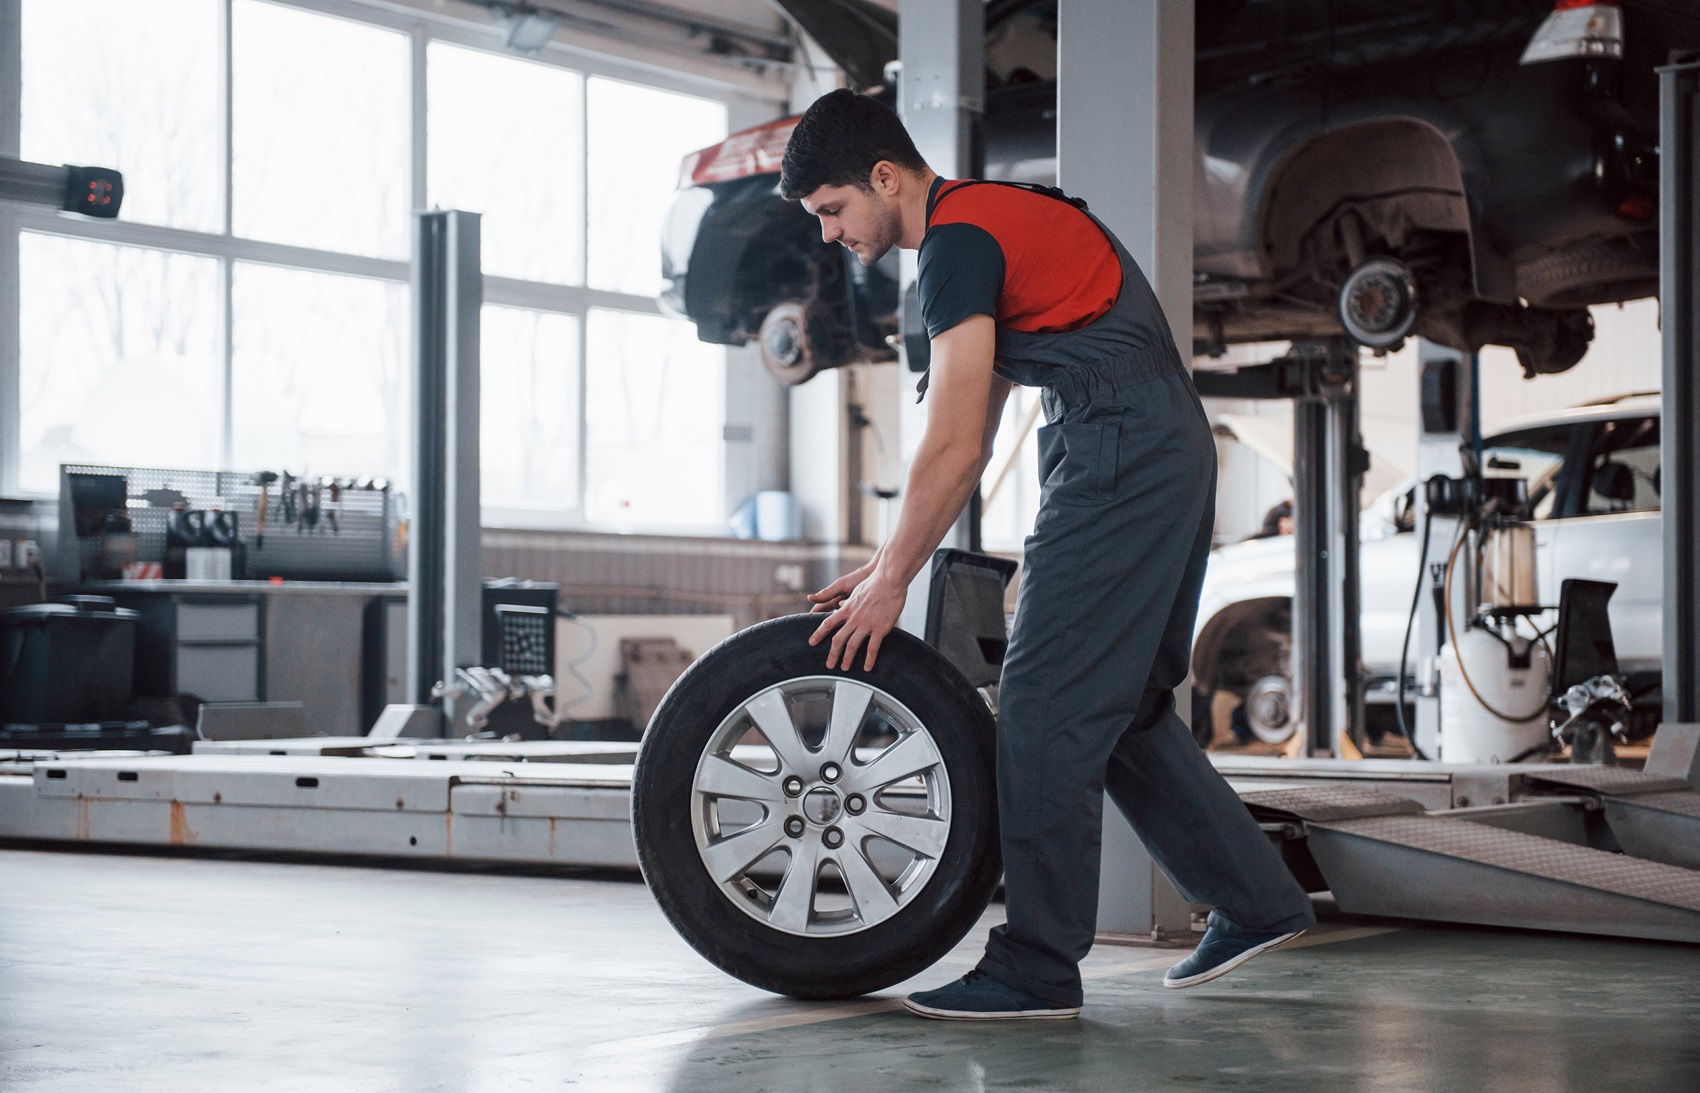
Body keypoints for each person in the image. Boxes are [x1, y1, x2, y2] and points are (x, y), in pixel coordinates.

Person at [785, 89, 1315, 1021]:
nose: (830, 235)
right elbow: (974, 429)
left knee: (1042, 699)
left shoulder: (955, 245)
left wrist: (896, 577)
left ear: (882, 177)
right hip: (1149, 439)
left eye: (832, 211)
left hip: (1119, 442)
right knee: (1124, 705)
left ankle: (1036, 964)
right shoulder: (986, 219)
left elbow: (953, 444)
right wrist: (888, 567)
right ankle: (1257, 899)